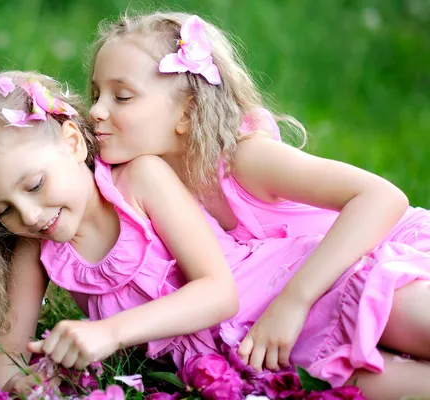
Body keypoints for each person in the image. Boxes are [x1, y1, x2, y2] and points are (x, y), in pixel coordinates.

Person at [87, 11, 430, 398]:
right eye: (96, 94)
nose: (97, 110)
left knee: (396, 310)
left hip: (383, 255)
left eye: (122, 96)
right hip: (322, 309)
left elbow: (380, 198)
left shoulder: (241, 159)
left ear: (186, 112)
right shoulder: (148, 182)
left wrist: (292, 303)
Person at [0, 70, 242, 394]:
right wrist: (23, 383)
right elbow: (6, 358)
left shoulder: (140, 181)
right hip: (212, 368)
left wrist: (109, 332)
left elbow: (220, 293)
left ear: (73, 143)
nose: (30, 215)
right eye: (3, 210)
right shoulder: (36, 247)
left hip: (257, 310)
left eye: (35, 185)